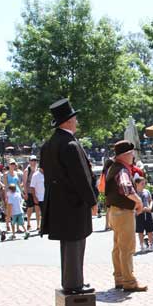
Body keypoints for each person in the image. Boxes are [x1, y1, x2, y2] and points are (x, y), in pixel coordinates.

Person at [40, 98, 97, 295]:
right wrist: (92, 201)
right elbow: (80, 177)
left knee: (68, 245)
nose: (77, 122)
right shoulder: (70, 144)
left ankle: (72, 281)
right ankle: (74, 284)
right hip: (73, 203)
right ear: (68, 121)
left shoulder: (49, 145)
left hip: (58, 203)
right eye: (74, 118)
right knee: (75, 242)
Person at [105, 140, 147, 292]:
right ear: (125, 155)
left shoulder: (113, 168)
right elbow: (126, 188)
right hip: (123, 212)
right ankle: (129, 281)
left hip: (114, 212)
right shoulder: (122, 170)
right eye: (131, 153)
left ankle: (119, 278)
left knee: (118, 247)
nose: (133, 156)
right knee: (127, 247)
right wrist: (139, 201)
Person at [3, 159, 23, 232]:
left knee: (17, 210)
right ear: (8, 165)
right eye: (11, 164)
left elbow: (18, 184)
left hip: (17, 193)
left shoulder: (16, 173)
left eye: (13, 164)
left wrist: (22, 193)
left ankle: (18, 228)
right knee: (9, 211)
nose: (12, 165)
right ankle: (7, 225)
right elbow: (5, 186)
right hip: (10, 193)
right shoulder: (6, 174)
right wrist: (6, 196)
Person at [134, 177, 153, 251]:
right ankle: (142, 245)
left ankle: (151, 244)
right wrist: (139, 209)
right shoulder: (134, 193)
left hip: (147, 212)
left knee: (150, 229)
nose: (144, 185)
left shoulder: (146, 191)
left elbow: (150, 200)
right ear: (137, 184)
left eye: (144, 183)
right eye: (142, 183)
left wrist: (150, 207)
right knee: (140, 230)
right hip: (139, 213)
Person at [22, 155, 40, 231]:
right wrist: (25, 193)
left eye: (35, 160)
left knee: (37, 208)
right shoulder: (27, 170)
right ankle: (28, 223)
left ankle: (38, 225)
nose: (34, 162)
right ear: (29, 161)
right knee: (30, 208)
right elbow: (25, 183)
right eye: (32, 160)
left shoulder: (38, 170)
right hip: (29, 192)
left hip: (38, 192)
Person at [29, 167, 45, 231]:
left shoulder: (47, 174)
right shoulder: (35, 175)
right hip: (38, 197)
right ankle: (39, 226)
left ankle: (43, 227)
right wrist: (34, 197)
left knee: (44, 213)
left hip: (46, 197)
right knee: (38, 213)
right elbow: (32, 187)